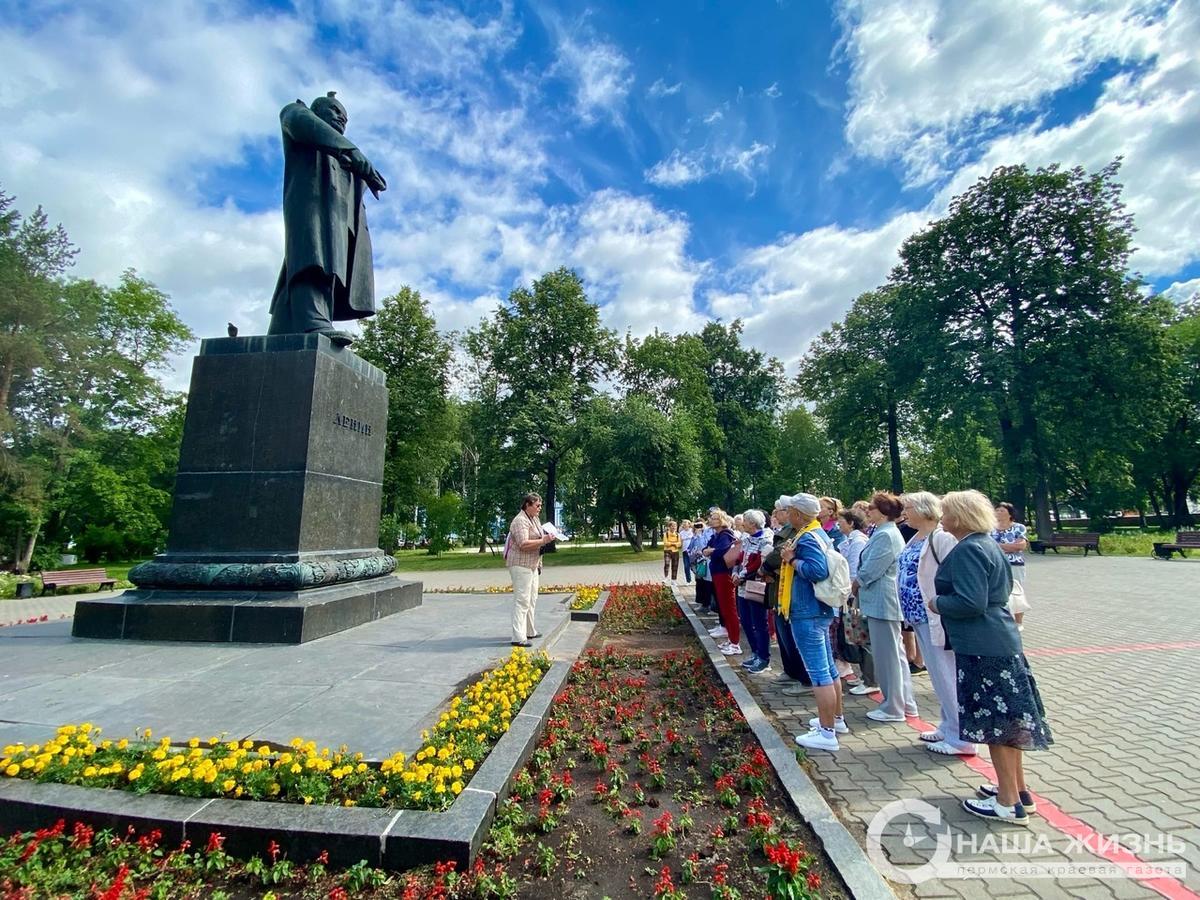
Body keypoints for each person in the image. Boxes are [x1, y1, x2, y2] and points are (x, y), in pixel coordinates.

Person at [931, 490, 1053, 824]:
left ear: (960, 516)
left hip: (983, 645)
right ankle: (1017, 791)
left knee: (998, 725)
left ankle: (1007, 802)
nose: (941, 518)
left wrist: (938, 603)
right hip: (998, 641)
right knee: (1010, 722)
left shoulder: (969, 548)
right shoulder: (985, 543)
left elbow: (971, 602)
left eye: (946, 512)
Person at [269, 93, 387, 344]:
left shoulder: (339, 152)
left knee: (321, 265)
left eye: (345, 118)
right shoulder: (296, 113)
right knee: (313, 259)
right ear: (317, 109)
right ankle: (313, 320)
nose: (341, 120)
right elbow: (299, 122)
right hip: (311, 205)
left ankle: (282, 327)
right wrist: (353, 152)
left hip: (337, 216)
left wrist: (361, 174)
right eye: (334, 112)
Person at [903, 491, 977, 757]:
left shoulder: (941, 537)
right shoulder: (916, 537)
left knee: (947, 674)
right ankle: (948, 726)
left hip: (936, 616)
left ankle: (961, 737)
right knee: (938, 675)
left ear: (924, 509)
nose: (905, 512)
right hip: (919, 615)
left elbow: (955, 574)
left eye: (908, 507)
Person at [782, 493, 845, 752]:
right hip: (818, 609)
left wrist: (792, 560)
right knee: (829, 669)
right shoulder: (816, 532)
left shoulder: (807, 537)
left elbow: (818, 571)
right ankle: (836, 719)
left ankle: (827, 732)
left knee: (819, 673)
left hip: (808, 610)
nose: (787, 515)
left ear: (798, 514)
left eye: (789, 511)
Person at [855, 492, 917, 722]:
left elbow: (871, 570)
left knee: (888, 657)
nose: (868, 510)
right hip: (880, 600)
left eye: (872, 507)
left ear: (883, 512)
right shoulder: (882, 532)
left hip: (883, 601)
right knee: (895, 655)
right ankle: (905, 702)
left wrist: (856, 583)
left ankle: (893, 707)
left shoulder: (886, 535)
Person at [504, 492, 555, 647]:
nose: (540, 508)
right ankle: (518, 636)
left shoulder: (534, 519)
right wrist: (543, 540)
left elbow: (538, 539)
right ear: (527, 505)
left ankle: (529, 630)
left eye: (540, 505)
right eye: (537, 505)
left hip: (533, 564)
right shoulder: (520, 521)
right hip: (520, 564)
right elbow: (523, 544)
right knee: (522, 600)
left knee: (532, 599)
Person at [836, 508, 873, 691]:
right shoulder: (849, 541)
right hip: (851, 595)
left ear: (851, 523)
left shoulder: (858, 542)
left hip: (854, 596)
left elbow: (853, 571)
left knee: (862, 637)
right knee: (857, 636)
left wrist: (849, 596)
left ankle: (870, 680)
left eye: (841, 520)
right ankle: (865, 677)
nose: (838, 523)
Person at [734, 509, 773, 674]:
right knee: (746, 621)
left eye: (745, 521)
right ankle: (755, 652)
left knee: (759, 623)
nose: (742, 524)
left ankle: (763, 658)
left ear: (752, 523)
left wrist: (742, 576)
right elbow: (740, 558)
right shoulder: (746, 538)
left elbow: (759, 564)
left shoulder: (766, 540)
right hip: (742, 587)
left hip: (756, 586)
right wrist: (735, 572)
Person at [706, 512, 742, 655]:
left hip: (724, 574)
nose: (711, 520)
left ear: (722, 520)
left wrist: (711, 551)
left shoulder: (726, 534)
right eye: (711, 518)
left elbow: (721, 551)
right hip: (717, 573)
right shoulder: (716, 535)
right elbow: (707, 548)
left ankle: (735, 644)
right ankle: (731, 639)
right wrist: (709, 550)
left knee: (729, 608)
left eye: (715, 518)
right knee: (724, 607)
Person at [992, 502, 1031, 631]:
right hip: (995, 563)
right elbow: (987, 546)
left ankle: (1019, 621)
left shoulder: (1018, 528)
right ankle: (1002, 620)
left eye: (1002, 511)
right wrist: (1009, 547)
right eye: (997, 510)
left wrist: (997, 546)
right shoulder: (989, 528)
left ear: (1010, 514)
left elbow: (1020, 546)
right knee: (998, 592)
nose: (998, 513)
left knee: (1016, 591)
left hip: (1014, 564)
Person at [678, 519, 695, 584]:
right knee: (686, 566)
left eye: (686, 524)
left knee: (693, 566)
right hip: (685, 551)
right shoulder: (681, 533)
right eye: (684, 524)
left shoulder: (692, 531)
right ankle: (688, 580)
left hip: (692, 551)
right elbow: (681, 542)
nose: (685, 525)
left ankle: (698, 578)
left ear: (689, 525)